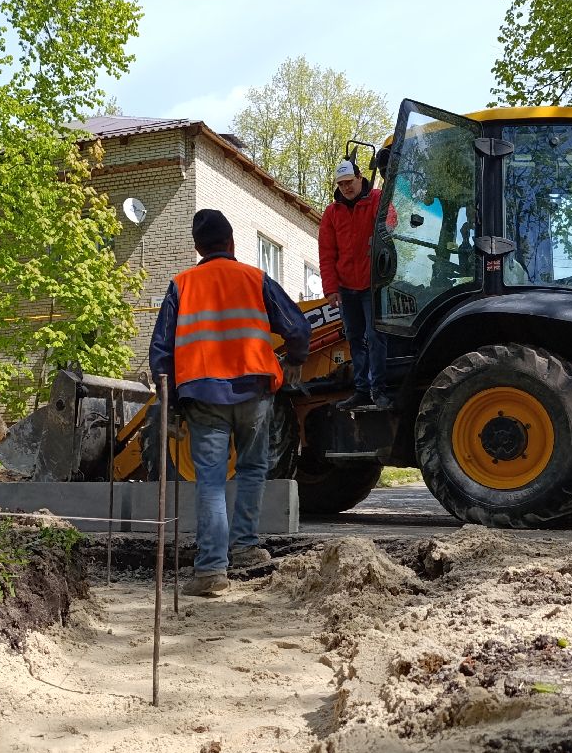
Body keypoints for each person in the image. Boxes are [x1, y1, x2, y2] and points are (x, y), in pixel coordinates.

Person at [149, 209, 311, 597]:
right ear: (232, 242)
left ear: (197, 247)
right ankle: (244, 548)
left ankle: (210, 571)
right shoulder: (255, 278)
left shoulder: (182, 285)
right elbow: (298, 328)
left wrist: (168, 406)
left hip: (203, 395)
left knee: (210, 479)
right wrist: (292, 361)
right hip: (254, 390)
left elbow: (160, 352)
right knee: (253, 468)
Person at [319, 158, 392, 410]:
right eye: (341, 184)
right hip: (346, 287)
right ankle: (361, 389)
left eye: (349, 182)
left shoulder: (376, 200)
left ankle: (378, 389)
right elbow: (327, 253)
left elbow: (391, 223)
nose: (346, 188)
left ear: (360, 178)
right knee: (354, 337)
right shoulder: (332, 213)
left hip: (372, 285)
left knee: (375, 335)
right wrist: (330, 289)